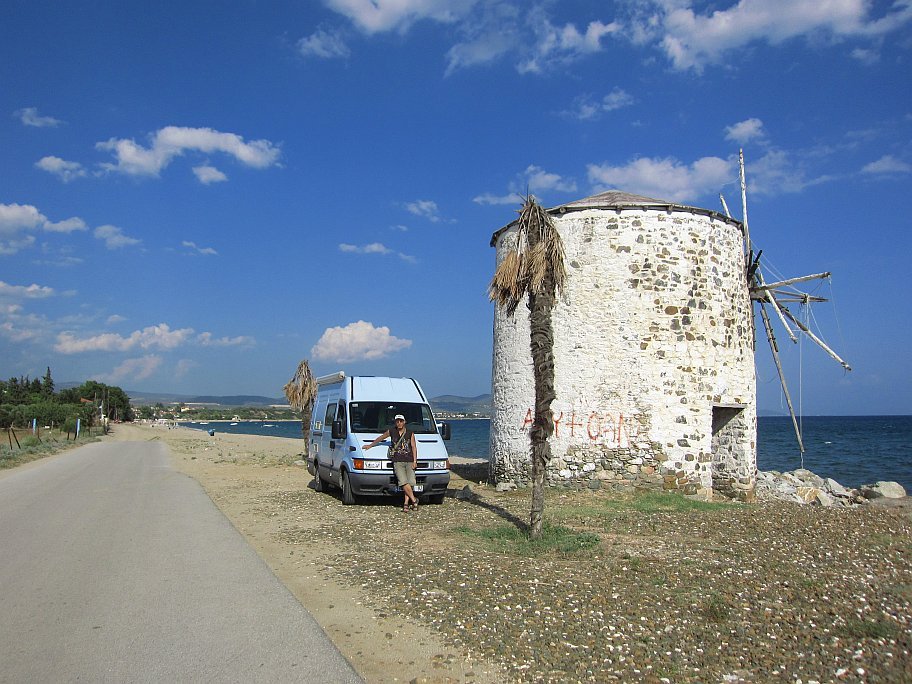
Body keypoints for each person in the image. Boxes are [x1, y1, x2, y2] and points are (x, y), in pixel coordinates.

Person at [364, 414, 419, 512]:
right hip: (397, 460)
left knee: (410, 483)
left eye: (401, 421)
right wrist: (370, 445)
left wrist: (415, 461)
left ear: (404, 422)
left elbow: (414, 447)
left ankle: (406, 504)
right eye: (397, 421)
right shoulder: (392, 431)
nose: (399, 423)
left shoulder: (410, 433)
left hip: (409, 460)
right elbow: (381, 437)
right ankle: (414, 500)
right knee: (403, 482)